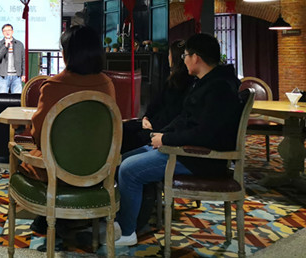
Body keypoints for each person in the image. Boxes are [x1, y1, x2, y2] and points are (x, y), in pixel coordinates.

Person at [115, 33, 241, 247]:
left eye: (186, 55)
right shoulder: (207, 83)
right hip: (185, 149)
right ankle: (129, 220)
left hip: (198, 158)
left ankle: (127, 231)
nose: (184, 59)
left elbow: (205, 133)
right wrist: (160, 135)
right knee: (124, 159)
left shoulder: (219, 88)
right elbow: (184, 119)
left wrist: (166, 139)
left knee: (129, 169)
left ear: (196, 58)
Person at [17, 25, 116, 234]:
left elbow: (39, 135)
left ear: (68, 54)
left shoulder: (53, 87)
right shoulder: (107, 84)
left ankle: (49, 217)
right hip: (97, 171)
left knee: (23, 158)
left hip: (56, 172)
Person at [121, 39, 194, 153]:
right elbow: (155, 104)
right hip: (153, 123)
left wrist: (149, 122)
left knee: (125, 133)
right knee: (124, 128)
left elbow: (173, 114)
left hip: (161, 130)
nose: (168, 57)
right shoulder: (173, 81)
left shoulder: (184, 83)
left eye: (169, 54)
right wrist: (146, 118)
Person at [0, 24, 25, 93]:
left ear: (12, 31)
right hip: (3, 76)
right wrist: (5, 46)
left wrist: (23, 74)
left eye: (9, 30)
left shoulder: (19, 44)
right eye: (5, 30)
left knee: (17, 97)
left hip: (16, 77)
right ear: (2, 32)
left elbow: (23, 60)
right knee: (2, 97)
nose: (7, 32)